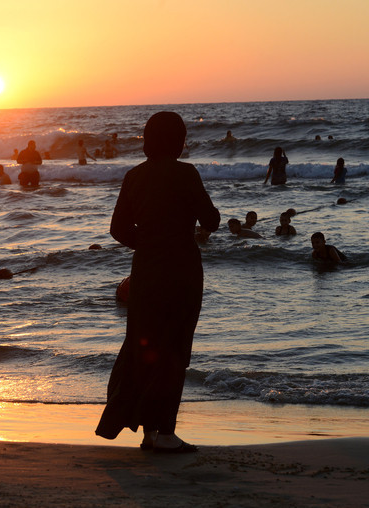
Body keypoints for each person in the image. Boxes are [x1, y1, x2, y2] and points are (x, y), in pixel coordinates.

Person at [96, 111, 220, 453]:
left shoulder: (134, 176)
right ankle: (166, 432)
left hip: (146, 271)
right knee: (174, 349)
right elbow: (211, 219)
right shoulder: (186, 173)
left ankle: (150, 433)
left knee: (145, 347)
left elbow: (118, 230)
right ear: (179, 140)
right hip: (181, 270)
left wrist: (149, 243)